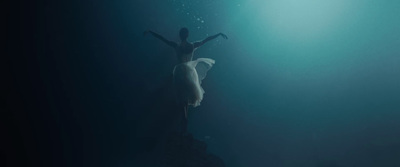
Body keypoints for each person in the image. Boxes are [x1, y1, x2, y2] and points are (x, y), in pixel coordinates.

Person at [144, 28, 228, 133]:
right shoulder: (192, 45)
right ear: (187, 35)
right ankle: (184, 119)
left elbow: (162, 38)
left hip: (180, 72)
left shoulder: (176, 45)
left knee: (183, 97)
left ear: (181, 35)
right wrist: (218, 34)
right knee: (186, 96)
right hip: (189, 71)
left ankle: (184, 119)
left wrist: (151, 32)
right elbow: (206, 39)